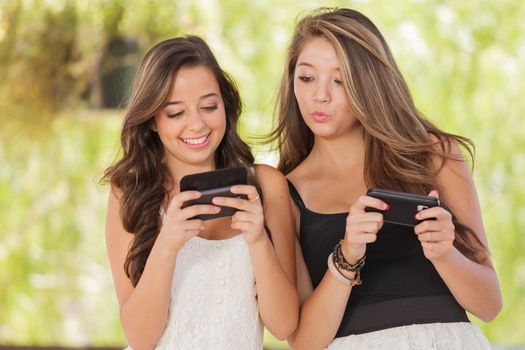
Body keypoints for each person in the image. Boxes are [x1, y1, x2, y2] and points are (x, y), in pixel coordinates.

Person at [267, 7, 502, 349]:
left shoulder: (434, 155)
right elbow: (303, 342)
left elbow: (489, 305)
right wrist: (347, 254)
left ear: (369, 84)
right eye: (306, 78)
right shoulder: (286, 191)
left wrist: (443, 252)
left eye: (340, 80)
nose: (320, 95)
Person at [102, 35, 298, 349]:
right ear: (152, 121)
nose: (196, 125)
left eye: (208, 106)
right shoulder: (130, 193)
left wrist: (259, 239)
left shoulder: (266, 185)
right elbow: (140, 339)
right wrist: (167, 244)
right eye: (176, 113)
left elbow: (284, 324)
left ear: (226, 105)